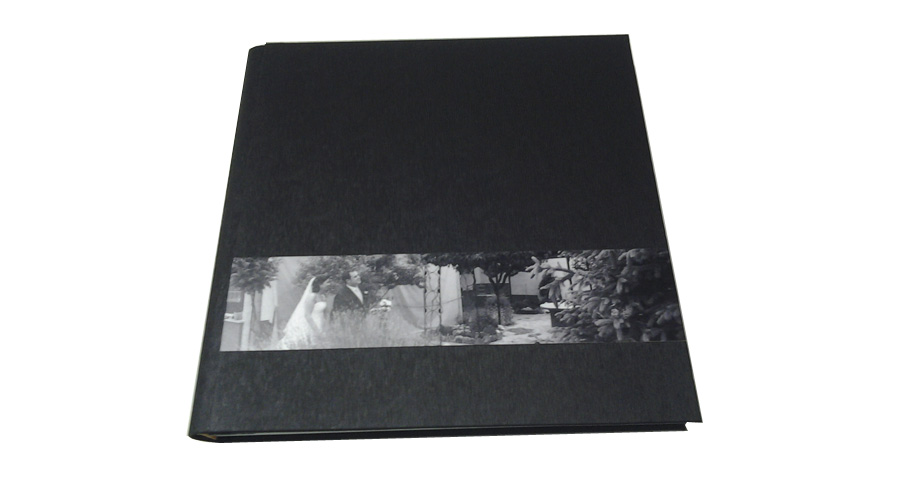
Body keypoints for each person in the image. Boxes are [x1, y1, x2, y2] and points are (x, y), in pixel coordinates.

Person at [279, 276, 329, 350]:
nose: (328, 284)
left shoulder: (322, 296)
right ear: (320, 284)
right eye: (327, 282)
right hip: (312, 323)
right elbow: (307, 315)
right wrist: (317, 331)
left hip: (320, 321)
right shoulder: (312, 296)